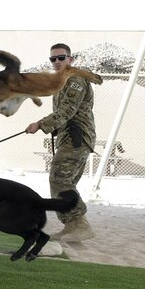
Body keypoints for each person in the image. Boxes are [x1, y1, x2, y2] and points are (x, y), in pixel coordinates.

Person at [25, 43, 96, 243]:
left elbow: (67, 111)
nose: (57, 62)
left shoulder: (76, 80)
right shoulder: (62, 81)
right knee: (61, 179)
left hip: (77, 138)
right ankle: (71, 226)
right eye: (53, 59)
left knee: (60, 178)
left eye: (61, 58)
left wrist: (40, 124)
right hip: (68, 136)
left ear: (70, 59)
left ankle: (80, 224)